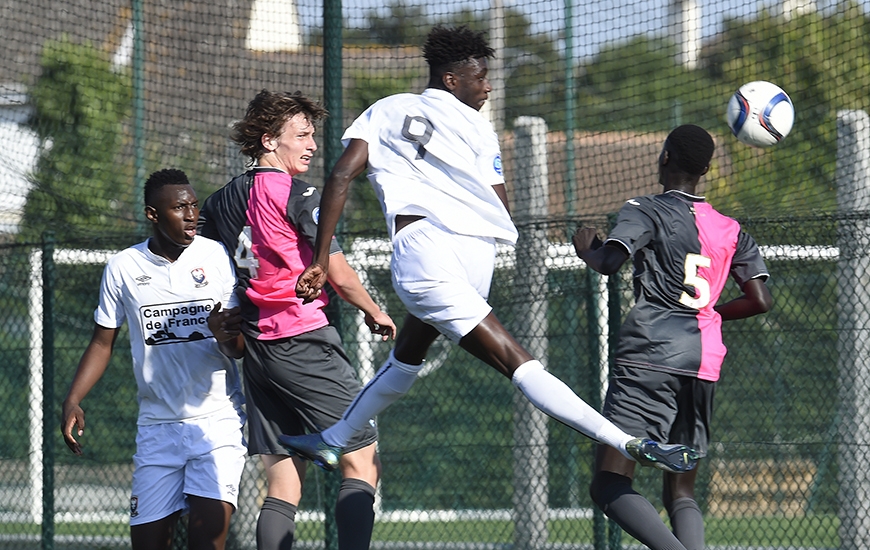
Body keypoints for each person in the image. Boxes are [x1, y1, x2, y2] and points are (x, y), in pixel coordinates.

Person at [284, 25, 698, 476]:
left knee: (506, 363)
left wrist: (320, 258)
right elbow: (499, 204)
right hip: (473, 258)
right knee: (411, 356)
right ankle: (333, 440)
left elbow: (341, 176)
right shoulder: (479, 130)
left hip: (428, 254)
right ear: (450, 80)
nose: (487, 86)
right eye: (479, 77)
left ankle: (627, 441)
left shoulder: (387, 110)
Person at [197, 90, 396, 550]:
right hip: (303, 340)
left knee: (284, 485)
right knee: (362, 461)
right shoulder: (299, 193)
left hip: (258, 352)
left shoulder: (220, 201)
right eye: (301, 135)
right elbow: (337, 272)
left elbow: (205, 262)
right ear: (269, 141)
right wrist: (374, 309)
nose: (310, 145)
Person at [572, 124, 773, 550]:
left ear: (665, 157)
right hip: (703, 360)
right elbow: (759, 300)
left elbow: (609, 262)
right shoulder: (732, 229)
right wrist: (708, 314)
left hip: (650, 356)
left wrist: (586, 248)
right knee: (680, 492)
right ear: (704, 170)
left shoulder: (644, 209)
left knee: (608, 484)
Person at [60, 168, 247, 550]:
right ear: (153, 214)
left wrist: (222, 332)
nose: (192, 214)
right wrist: (73, 399)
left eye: (194, 205)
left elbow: (237, 349)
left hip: (218, 425)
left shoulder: (216, 256)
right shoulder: (123, 267)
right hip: (156, 428)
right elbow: (101, 342)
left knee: (207, 540)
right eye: (180, 207)